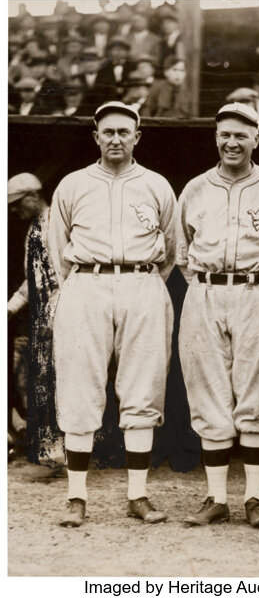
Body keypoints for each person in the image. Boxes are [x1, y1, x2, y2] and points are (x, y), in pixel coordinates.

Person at [48, 101, 177, 527]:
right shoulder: (72, 184)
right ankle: (76, 496)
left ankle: (137, 495)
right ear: (96, 137)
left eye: (125, 131)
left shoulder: (157, 185)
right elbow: (57, 250)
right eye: (109, 132)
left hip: (142, 282)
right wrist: (82, 284)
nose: (116, 139)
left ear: (137, 137)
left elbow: (172, 249)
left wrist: (142, 277)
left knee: (142, 387)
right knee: (80, 385)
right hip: (86, 282)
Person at [176, 102, 259, 528]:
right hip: (206, 292)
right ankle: (216, 498)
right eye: (225, 134)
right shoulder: (194, 188)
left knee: (257, 393)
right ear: (215, 137)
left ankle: (255, 498)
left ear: (256, 139)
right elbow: (182, 252)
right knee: (208, 393)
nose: (232, 142)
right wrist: (210, 288)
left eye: (241, 135)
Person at [8, 173, 63, 467]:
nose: (15, 211)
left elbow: (66, 274)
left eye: (17, 204)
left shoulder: (59, 221)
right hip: (44, 312)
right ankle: (52, 448)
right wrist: (9, 309)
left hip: (66, 309)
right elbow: (34, 281)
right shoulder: (33, 230)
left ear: (32, 196)